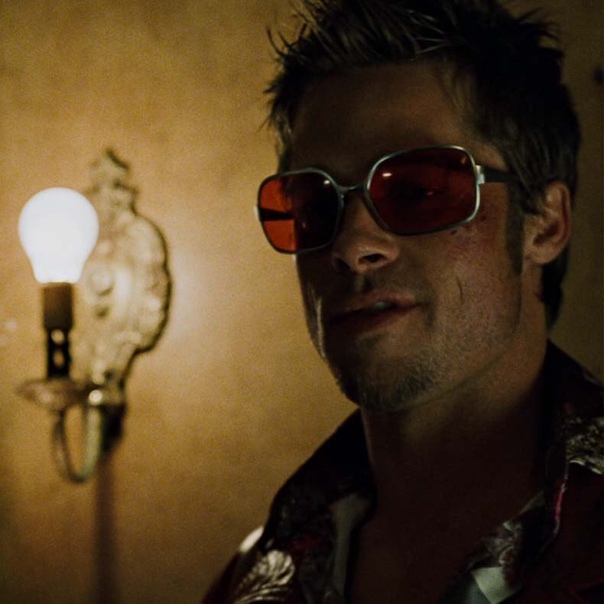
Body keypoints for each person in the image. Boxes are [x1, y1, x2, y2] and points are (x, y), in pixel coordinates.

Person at [205, 0, 603, 602]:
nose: (352, 245)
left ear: (544, 224)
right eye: (314, 205)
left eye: (419, 190)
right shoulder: (256, 576)